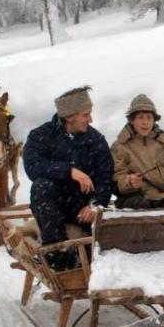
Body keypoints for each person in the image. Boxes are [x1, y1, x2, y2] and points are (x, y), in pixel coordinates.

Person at [22, 85, 113, 270]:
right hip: (52, 208)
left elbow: (106, 177)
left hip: (82, 209)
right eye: (86, 115)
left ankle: (85, 258)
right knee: (41, 185)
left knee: (95, 253)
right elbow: (33, 167)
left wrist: (95, 205)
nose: (91, 119)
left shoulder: (96, 141)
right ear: (70, 117)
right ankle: (56, 255)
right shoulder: (40, 136)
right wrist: (69, 171)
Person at [111, 94, 164, 209]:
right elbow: (117, 176)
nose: (145, 122)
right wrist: (129, 182)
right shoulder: (120, 147)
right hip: (135, 199)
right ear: (131, 120)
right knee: (140, 204)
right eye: (140, 117)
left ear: (154, 120)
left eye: (149, 117)